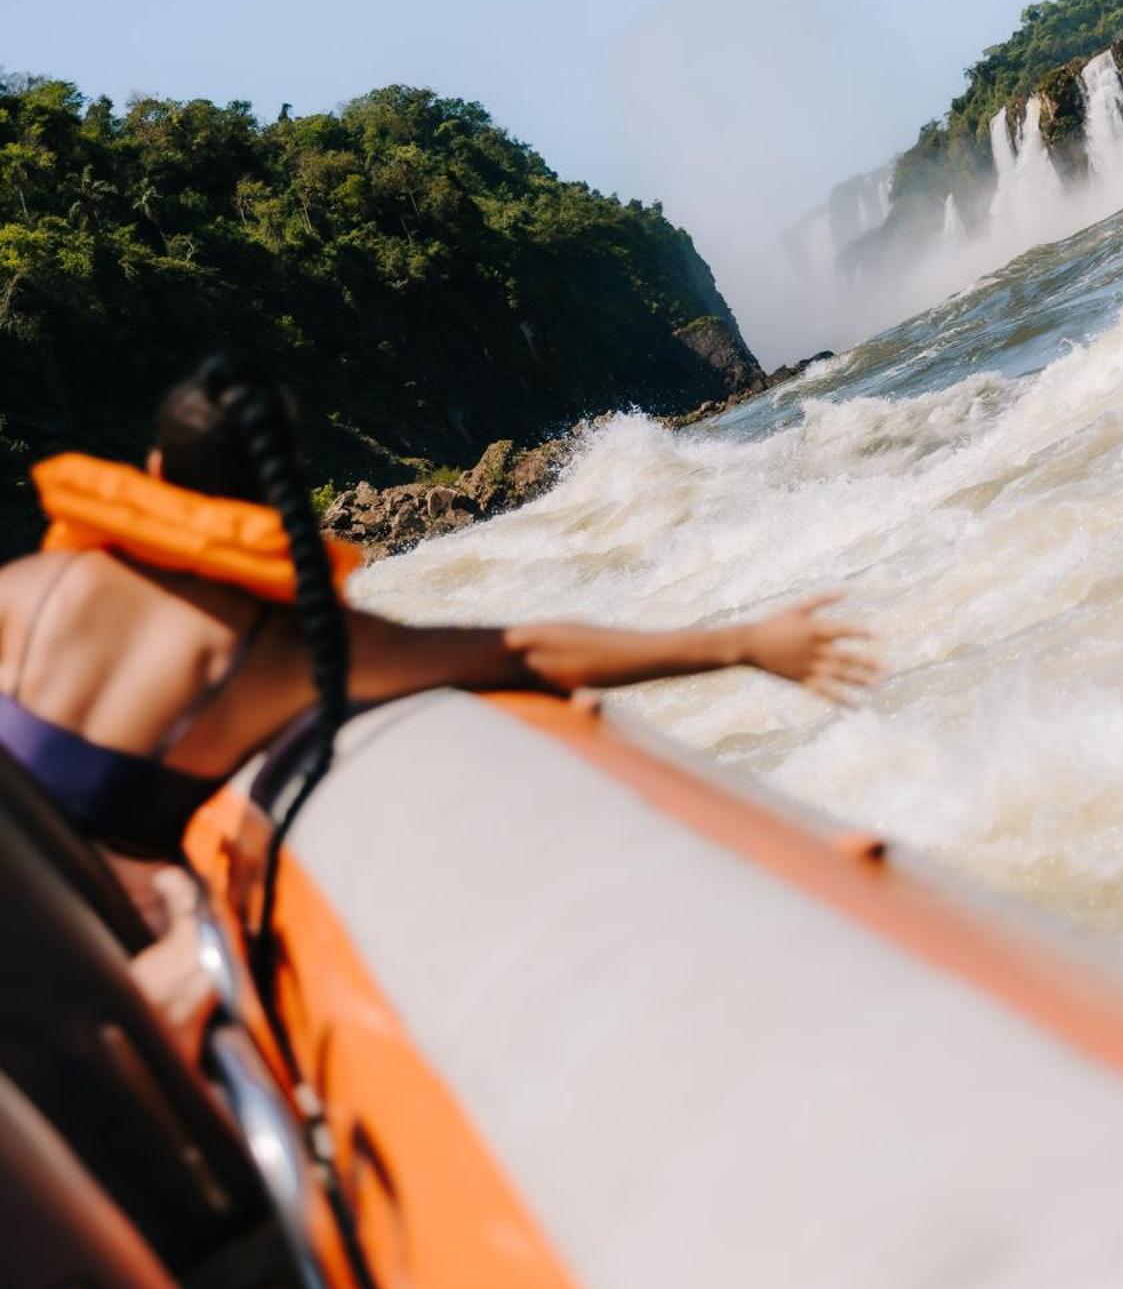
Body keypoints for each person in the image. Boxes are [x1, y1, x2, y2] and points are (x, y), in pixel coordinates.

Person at [0, 355, 880, 933]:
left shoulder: (27, 589)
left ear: (155, 474)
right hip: (77, 948)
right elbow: (524, 650)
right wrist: (740, 642)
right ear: (275, 499)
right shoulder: (287, 647)